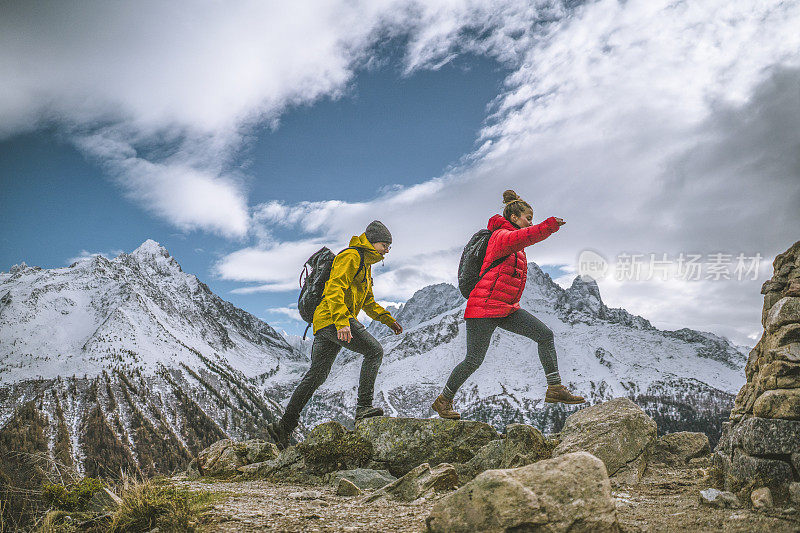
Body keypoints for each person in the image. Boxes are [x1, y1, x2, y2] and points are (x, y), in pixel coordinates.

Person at [431, 190, 585, 420]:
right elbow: (527, 236)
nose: (529, 222)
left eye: (532, 219)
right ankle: (443, 401)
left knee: (544, 335)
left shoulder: (514, 245)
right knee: (473, 360)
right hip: (483, 308)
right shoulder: (502, 236)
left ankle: (555, 388)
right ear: (514, 218)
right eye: (528, 218)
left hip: (505, 308)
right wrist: (548, 225)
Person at [266, 220, 403, 449]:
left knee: (316, 376)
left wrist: (388, 320)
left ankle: (284, 427)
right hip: (333, 318)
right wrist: (342, 322)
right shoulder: (351, 257)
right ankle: (363, 408)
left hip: (325, 322)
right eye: (384, 244)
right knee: (374, 351)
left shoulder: (365, 266)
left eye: (389, 246)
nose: (387, 250)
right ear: (372, 241)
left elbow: (368, 302)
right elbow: (334, 290)